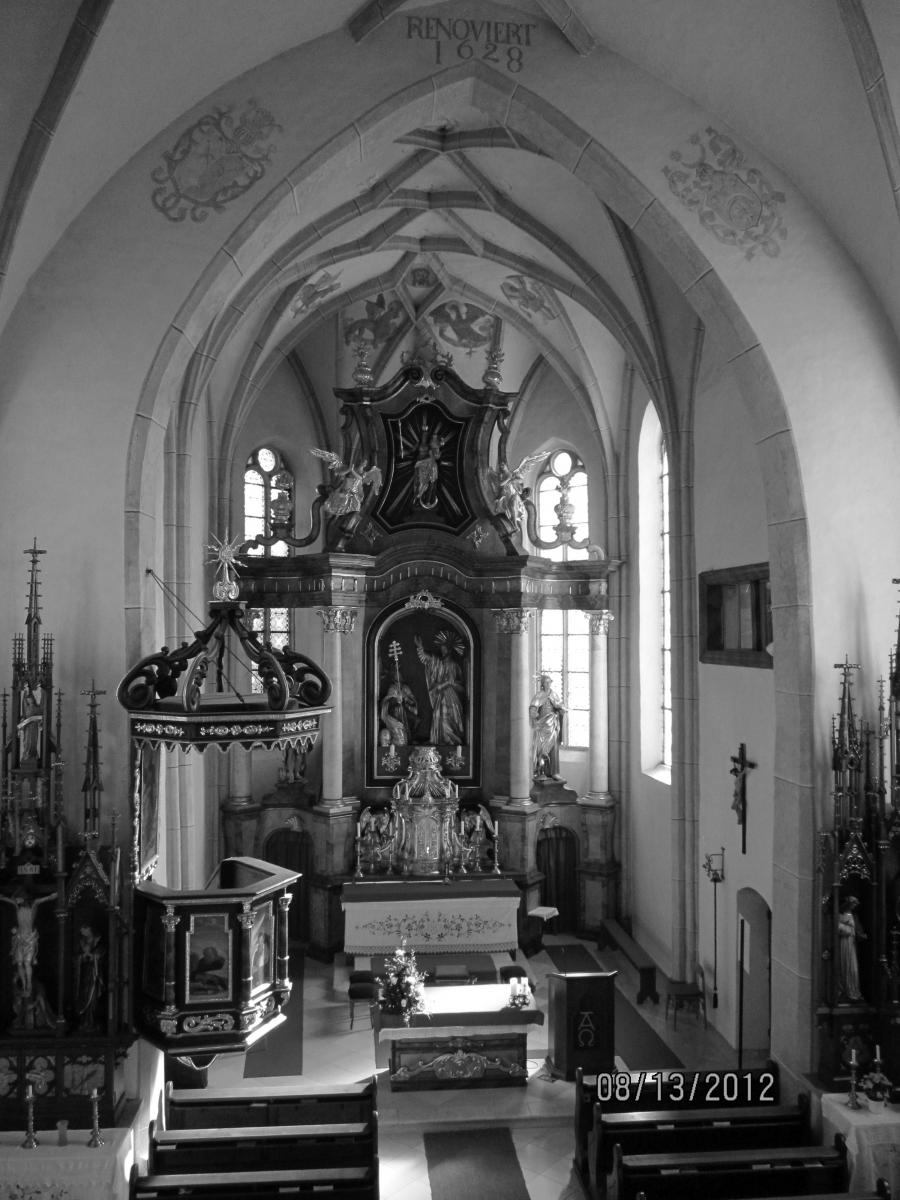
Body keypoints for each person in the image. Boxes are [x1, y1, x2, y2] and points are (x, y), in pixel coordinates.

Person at [0, 887, 57, 998]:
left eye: (18, 898)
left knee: (27, 963)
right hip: (20, 938)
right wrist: (2, 897)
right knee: (19, 963)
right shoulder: (17, 907)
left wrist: (52, 896)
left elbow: (40, 900)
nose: (16, 900)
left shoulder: (33, 907)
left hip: (30, 939)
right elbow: (8, 900)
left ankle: (29, 984)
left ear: (24, 898)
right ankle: (24, 984)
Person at [415, 630, 466, 746]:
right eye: (441, 649)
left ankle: (451, 742)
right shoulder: (439, 663)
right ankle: (440, 741)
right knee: (438, 716)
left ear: (449, 650)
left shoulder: (454, 665)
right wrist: (420, 647)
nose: (442, 652)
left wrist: (448, 683)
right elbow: (427, 659)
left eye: (444, 649)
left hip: (450, 696)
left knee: (448, 718)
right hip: (441, 695)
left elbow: (460, 684)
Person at [530, 673, 566, 779]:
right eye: (546, 682)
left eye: (549, 682)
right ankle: (542, 773)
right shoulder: (538, 695)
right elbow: (533, 707)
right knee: (541, 749)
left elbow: (560, 706)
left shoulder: (554, 694)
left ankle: (554, 772)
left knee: (553, 748)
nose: (548, 684)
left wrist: (561, 709)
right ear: (542, 684)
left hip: (552, 724)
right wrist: (533, 713)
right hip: (542, 725)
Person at [75, 923, 106, 1032]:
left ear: (90, 929)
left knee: (93, 999)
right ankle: (84, 1021)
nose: (83, 932)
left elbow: (101, 954)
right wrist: (82, 957)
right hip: (84, 975)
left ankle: (92, 1021)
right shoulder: (82, 943)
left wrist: (94, 957)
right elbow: (77, 958)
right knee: (83, 996)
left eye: (84, 929)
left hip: (94, 975)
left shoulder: (98, 942)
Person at [838, 895, 866, 1002]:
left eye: (855, 904)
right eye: (854, 903)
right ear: (849, 903)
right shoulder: (841, 914)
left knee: (853, 968)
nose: (855, 906)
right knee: (845, 965)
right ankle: (845, 990)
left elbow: (857, 928)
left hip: (852, 943)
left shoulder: (854, 915)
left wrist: (860, 934)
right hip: (844, 943)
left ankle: (853, 990)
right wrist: (849, 930)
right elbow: (838, 927)